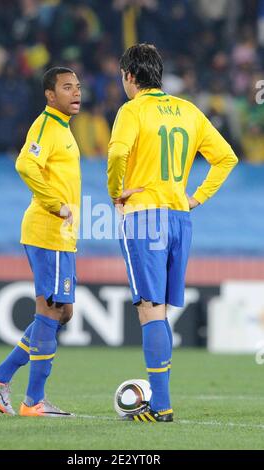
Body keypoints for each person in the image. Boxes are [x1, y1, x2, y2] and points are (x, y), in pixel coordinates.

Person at [107, 44, 238, 423]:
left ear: (130, 76)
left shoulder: (132, 111)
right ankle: (160, 400)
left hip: (144, 215)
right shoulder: (189, 110)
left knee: (150, 311)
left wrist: (116, 191)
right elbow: (226, 157)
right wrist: (197, 198)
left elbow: (116, 155)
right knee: (160, 310)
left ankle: (161, 406)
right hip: (180, 218)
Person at [0, 66, 82, 417]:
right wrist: (55, 204)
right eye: (67, 87)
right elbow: (25, 164)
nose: (76, 92)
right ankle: (33, 401)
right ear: (50, 95)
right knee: (50, 311)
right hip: (47, 231)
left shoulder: (63, 129)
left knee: (62, 313)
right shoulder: (46, 125)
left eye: (78, 87)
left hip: (61, 236)